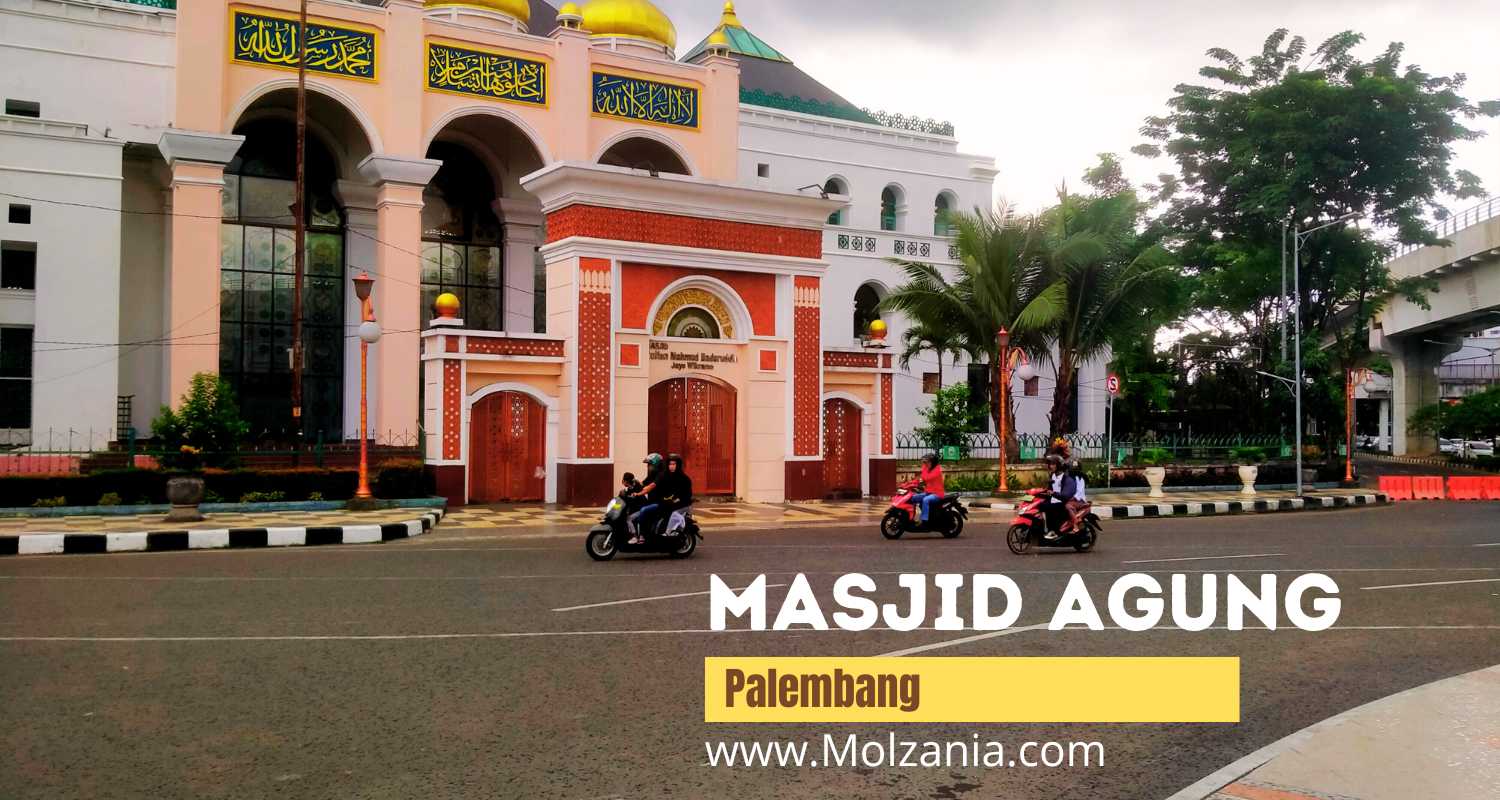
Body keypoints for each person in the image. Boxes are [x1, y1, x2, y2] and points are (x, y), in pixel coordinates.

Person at [627, 453, 665, 544]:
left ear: (656, 465)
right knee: (634, 509)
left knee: (643, 510)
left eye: (649, 464)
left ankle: (642, 536)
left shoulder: (661, 475)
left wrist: (638, 493)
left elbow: (650, 487)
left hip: (660, 503)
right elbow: (643, 484)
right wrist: (632, 484)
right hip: (651, 502)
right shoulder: (651, 475)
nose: (648, 467)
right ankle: (634, 532)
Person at [1042, 454, 1078, 539]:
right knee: (1040, 505)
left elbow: (1065, 496)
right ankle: (1043, 529)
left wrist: (1053, 493)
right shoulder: (1052, 476)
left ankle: (1053, 531)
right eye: (1050, 464)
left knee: (1048, 507)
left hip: (1062, 503)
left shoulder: (1067, 479)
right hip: (1054, 501)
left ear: (1059, 465)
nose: (1051, 466)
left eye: (1053, 464)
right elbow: (1049, 489)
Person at [916, 452, 945, 524]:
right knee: (913, 497)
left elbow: (926, 477)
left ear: (933, 463)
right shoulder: (928, 468)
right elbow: (921, 478)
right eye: (925, 462)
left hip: (937, 494)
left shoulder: (937, 470)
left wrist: (924, 469)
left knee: (925, 500)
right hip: (929, 492)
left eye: (927, 462)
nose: (926, 464)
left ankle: (924, 521)